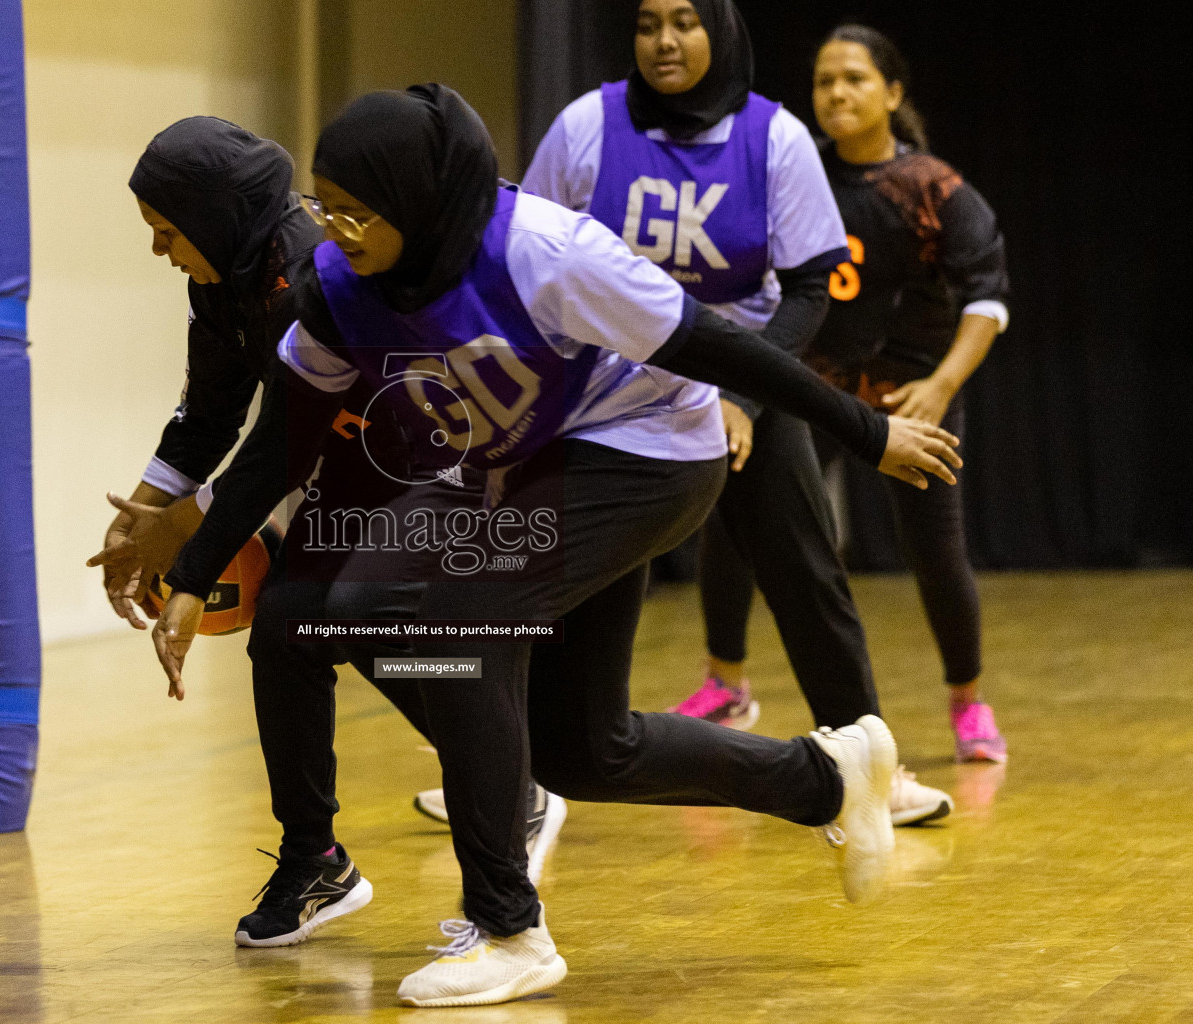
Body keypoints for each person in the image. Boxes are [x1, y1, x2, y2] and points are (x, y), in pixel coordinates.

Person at [120, 85, 961, 1007]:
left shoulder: (547, 252)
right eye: (328, 207)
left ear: (421, 204)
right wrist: (195, 576)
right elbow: (283, 435)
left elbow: (718, 347)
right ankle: (828, 776)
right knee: (583, 750)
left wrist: (865, 433)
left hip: (652, 453)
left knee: (459, 617)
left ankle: (508, 927)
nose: (336, 230)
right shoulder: (337, 287)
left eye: (356, 213)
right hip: (534, 464)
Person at [91, 116, 565, 952]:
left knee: (357, 616)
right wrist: (140, 526)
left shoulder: (316, 265)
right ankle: (319, 860)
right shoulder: (222, 278)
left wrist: (194, 567)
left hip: (452, 465)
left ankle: (506, 782)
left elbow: (283, 442)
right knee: (290, 628)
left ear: (211, 214)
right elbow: (209, 417)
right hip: (362, 465)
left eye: (167, 231)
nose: (161, 250)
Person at [516, 0, 952, 822]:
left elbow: (813, 285)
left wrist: (745, 398)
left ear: (720, 31)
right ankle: (511, 768)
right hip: (606, 401)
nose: (665, 42)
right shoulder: (585, 128)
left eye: (684, 21)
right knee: (544, 575)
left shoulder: (772, 137)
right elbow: (528, 255)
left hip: (752, 378)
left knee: (805, 573)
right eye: (647, 25)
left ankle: (867, 766)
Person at [801, 24, 1010, 761]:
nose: (836, 93)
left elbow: (988, 300)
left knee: (936, 552)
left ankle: (968, 702)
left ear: (892, 93)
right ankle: (726, 681)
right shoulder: (801, 175)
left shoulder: (931, 187)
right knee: (756, 526)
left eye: (854, 78)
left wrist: (941, 384)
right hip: (820, 389)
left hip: (909, 392)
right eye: (825, 80)